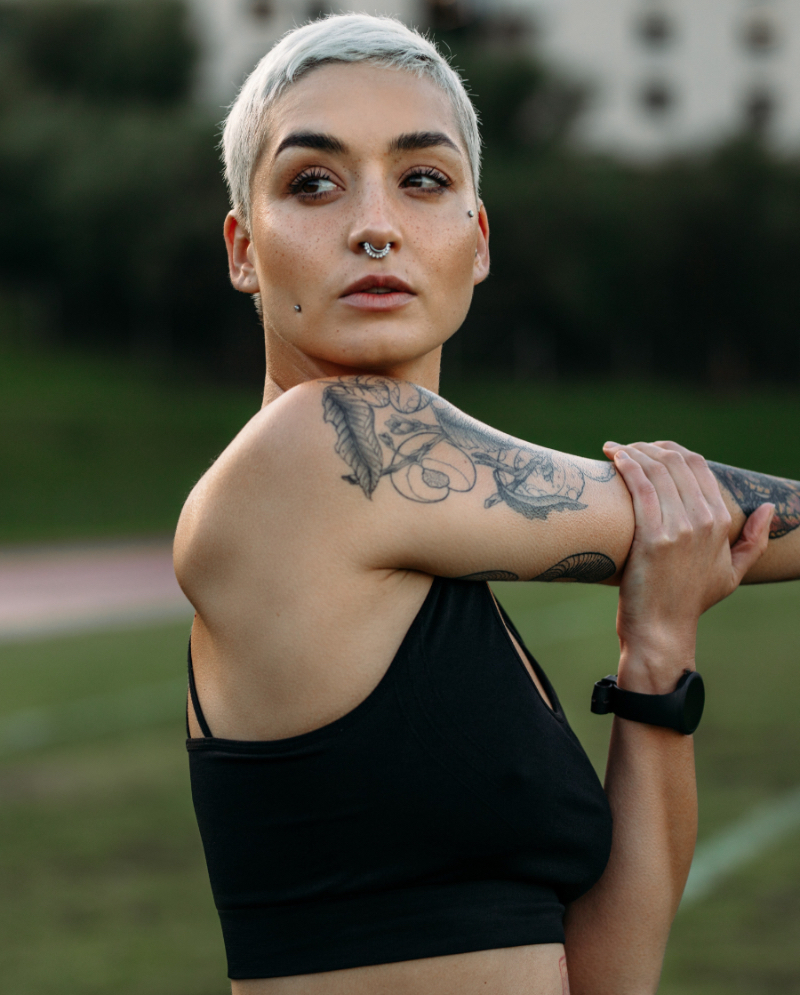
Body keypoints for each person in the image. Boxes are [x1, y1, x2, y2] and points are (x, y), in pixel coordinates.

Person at [173, 14, 800, 994]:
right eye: (314, 183)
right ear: (243, 248)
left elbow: (608, 977)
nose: (374, 225)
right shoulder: (312, 451)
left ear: (478, 239)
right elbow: (687, 513)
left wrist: (657, 655)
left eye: (422, 178)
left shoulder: (438, 560)